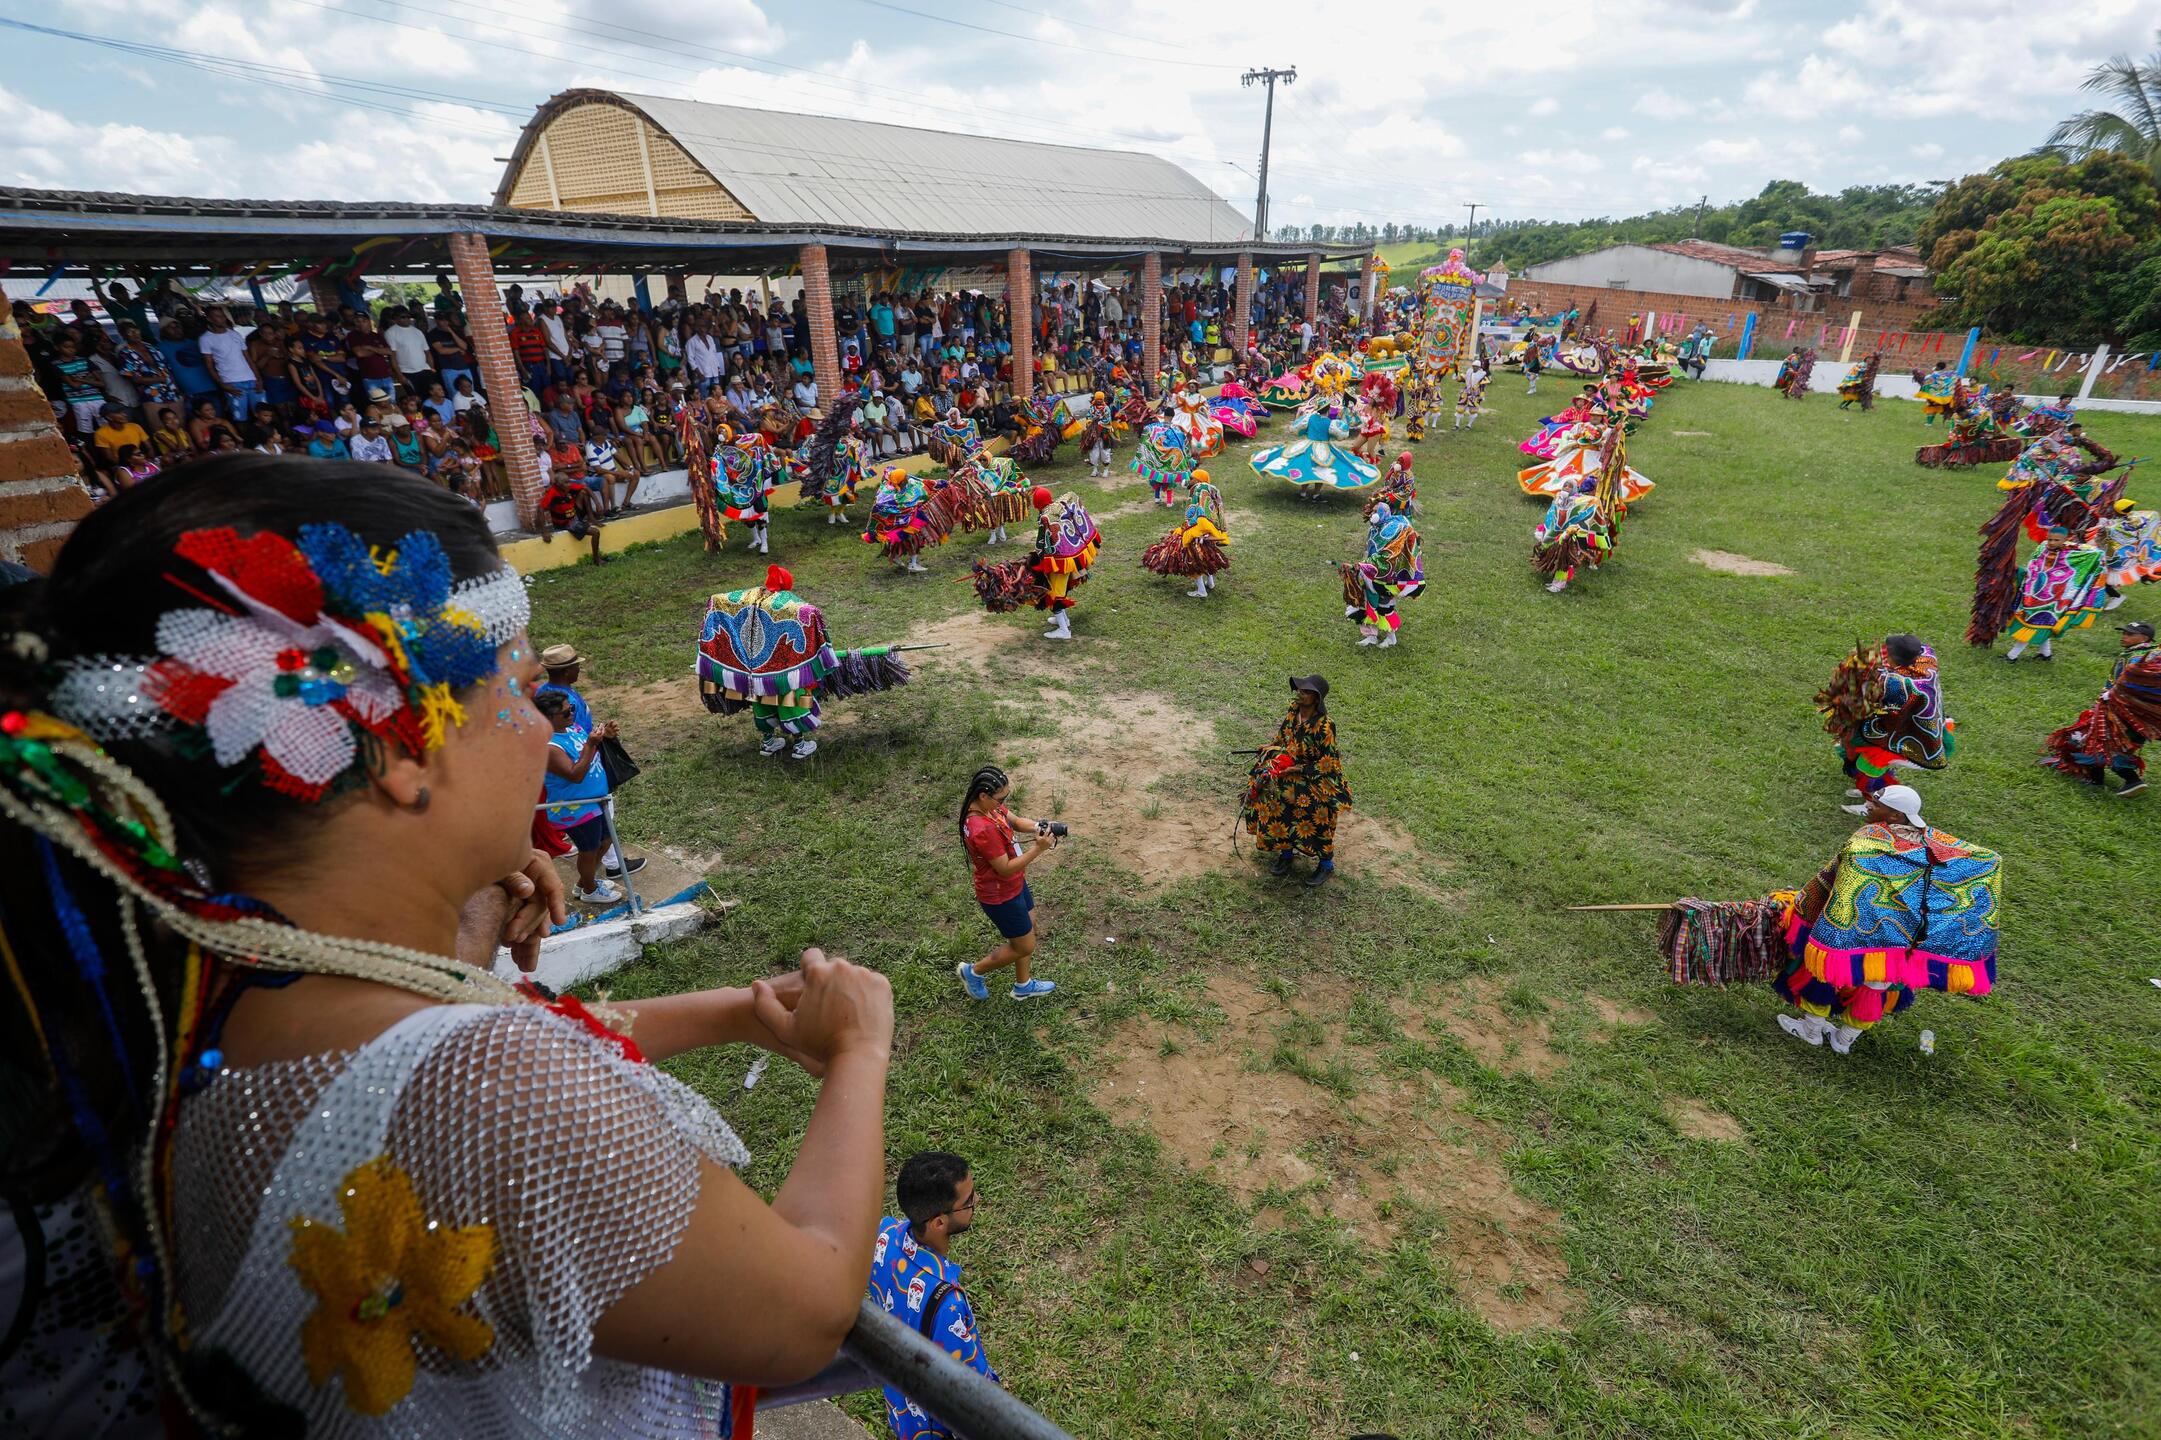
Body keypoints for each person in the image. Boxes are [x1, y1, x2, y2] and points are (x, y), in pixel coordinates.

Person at [0, 456, 897, 1435]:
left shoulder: (220, 982)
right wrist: (858, 1051)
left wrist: (729, 1013)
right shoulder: (485, 1090)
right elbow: (805, 1314)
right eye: (517, 689)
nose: (533, 731)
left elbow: (425, 1059)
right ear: (403, 751)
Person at [1772, 786, 2000, 1054]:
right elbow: (1987, 858)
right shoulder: (1936, 842)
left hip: (1856, 927)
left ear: (1894, 815)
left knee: (1824, 972)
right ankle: (1843, 1040)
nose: (1868, 805)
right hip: (1905, 939)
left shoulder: (1867, 840)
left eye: (1876, 803)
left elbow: (1842, 878)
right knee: (1876, 986)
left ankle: (1811, 1030)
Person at [868, 1153, 1003, 1438]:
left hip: (900, 1403)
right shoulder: (946, 1302)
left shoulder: (883, 1235)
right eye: (968, 1201)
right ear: (939, 1223)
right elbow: (972, 1391)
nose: (976, 1201)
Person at [1816, 634, 1954, 815]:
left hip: (1914, 743)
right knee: (1860, 754)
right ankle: (1874, 789)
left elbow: (1876, 698)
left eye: (1887, 655)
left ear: (1893, 660)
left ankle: (1873, 804)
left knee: (1868, 765)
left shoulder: (1898, 684)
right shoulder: (1926, 656)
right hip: (1915, 729)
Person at [537, 644, 642, 878]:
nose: (579, 670)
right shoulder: (561, 700)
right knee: (594, 837)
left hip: (587, 765)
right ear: (566, 671)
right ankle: (605, 871)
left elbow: (577, 731)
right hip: (581, 779)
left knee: (601, 834)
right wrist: (593, 742)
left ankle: (602, 871)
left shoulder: (554, 692)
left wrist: (603, 734)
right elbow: (572, 763)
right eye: (576, 666)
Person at [956, 766, 1058, 1000]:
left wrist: (1040, 826)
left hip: (1014, 885)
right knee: (1024, 946)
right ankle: (973, 972)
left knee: (1029, 928)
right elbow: (1004, 868)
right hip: (1001, 894)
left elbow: (1016, 821)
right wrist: (1038, 849)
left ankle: (1023, 986)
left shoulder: (989, 808)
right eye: (1001, 798)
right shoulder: (982, 829)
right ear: (984, 795)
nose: (1003, 802)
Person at [1241, 675, 1351, 887]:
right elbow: (1283, 738)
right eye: (1300, 689)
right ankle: (1286, 853)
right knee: (1271, 795)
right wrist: (1271, 746)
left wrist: (1297, 769)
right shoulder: (1294, 710)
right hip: (1286, 769)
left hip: (1316, 776)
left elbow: (1329, 763)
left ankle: (1326, 864)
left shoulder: (1325, 726)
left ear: (1317, 699)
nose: (1300, 693)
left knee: (1313, 811)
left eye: (1306, 691)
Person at [2041, 619, 2160, 796]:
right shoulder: (2148, 654)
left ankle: (2132, 781)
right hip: (2128, 712)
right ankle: (2095, 779)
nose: (2124, 636)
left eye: (2129, 634)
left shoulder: (2140, 658)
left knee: (2103, 743)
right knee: (2095, 739)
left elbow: (2133, 684)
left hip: (2122, 712)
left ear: (2144, 638)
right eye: (2124, 633)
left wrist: (2112, 696)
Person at [538, 688, 624, 903]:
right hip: (575, 808)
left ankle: (585, 882)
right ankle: (590, 890)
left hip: (594, 802)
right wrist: (590, 743)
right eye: (566, 713)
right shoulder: (550, 746)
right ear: (549, 718)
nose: (572, 715)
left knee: (604, 842)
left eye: (572, 709)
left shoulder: (572, 728)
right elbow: (575, 774)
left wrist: (604, 737)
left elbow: (588, 750)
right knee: (589, 849)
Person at [1141, 469, 1230, 599]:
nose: (1189, 480)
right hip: (1209, 534)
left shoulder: (1199, 489)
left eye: (1192, 478)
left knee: (1193, 561)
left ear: (1199, 480)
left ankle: (1201, 591)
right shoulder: (1210, 489)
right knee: (1206, 559)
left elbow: (1199, 513)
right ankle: (1210, 583)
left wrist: (1193, 530)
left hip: (1198, 533)